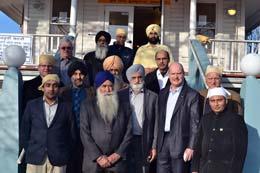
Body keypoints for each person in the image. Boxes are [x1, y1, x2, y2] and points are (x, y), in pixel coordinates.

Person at [20, 74, 76, 173]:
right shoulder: (32, 105)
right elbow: (24, 131)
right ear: (43, 87)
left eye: (55, 85)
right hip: (35, 157)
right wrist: (30, 148)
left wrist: (65, 152)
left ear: (58, 88)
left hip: (59, 158)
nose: (51, 89)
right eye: (48, 85)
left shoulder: (67, 107)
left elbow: (72, 134)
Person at [80, 71, 132, 173]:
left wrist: (117, 154)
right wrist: (99, 157)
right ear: (98, 87)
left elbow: (128, 133)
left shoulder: (124, 106)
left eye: (110, 86)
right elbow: (84, 133)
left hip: (117, 163)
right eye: (104, 86)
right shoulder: (87, 105)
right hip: (94, 162)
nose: (108, 90)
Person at [157, 62, 201, 173]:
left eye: (179, 73)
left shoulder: (192, 95)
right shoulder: (162, 93)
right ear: (169, 75)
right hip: (162, 142)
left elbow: (195, 124)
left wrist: (191, 146)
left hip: (180, 142)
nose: (176, 77)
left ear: (183, 74)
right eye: (173, 74)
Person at [192, 87, 248, 173]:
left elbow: (239, 152)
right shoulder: (205, 119)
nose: (216, 104)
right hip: (205, 169)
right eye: (212, 101)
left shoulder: (236, 120)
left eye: (219, 100)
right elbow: (198, 145)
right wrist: (195, 169)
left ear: (225, 101)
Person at [117, 64, 158, 173]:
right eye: (133, 78)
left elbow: (156, 124)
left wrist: (154, 146)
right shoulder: (120, 96)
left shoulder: (153, 97)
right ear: (129, 79)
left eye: (140, 77)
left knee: (143, 169)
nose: (137, 80)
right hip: (125, 140)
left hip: (144, 140)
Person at [20, 54, 56, 173]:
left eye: (49, 66)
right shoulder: (28, 85)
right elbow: (25, 116)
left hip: (54, 146)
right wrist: (28, 145)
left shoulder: (60, 86)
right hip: (35, 140)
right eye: (43, 66)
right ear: (38, 67)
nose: (46, 68)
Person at [59, 61, 95, 173]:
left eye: (81, 74)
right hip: (68, 135)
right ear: (70, 76)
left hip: (86, 134)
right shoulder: (63, 92)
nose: (78, 77)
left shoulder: (91, 91)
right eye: (75, 74)